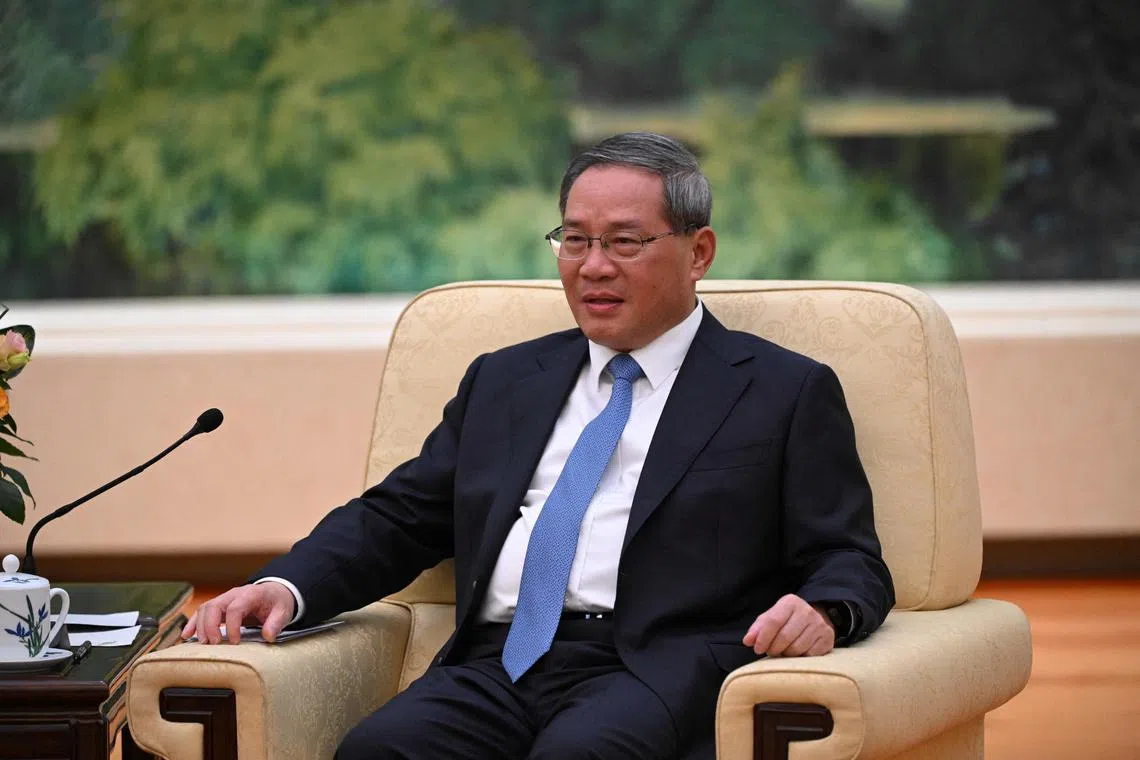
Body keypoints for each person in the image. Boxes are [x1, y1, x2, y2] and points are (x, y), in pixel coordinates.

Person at [183, 132, 894, 759]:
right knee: (381, 749)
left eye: (624, 241)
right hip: (497, 663)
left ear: (698, 252)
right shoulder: (505, 380)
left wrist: (827, 610)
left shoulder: (781, 389)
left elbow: (847, 553)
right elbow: (399, 516)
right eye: (575, 240)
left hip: (650, 667)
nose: (593, 267)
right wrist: (283, 586)